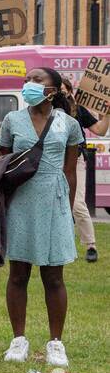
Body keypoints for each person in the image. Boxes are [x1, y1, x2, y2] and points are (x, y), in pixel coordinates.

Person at [0, 67, 84, 368]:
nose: (29, 84)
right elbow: (2, 163)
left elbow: (70, 171)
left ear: (52, 90)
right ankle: (18, 339)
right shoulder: (13, 120)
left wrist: (68, 209)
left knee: (53, 276)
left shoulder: (69, 124)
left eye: (37, 80)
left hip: (54, 202)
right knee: (19, 274)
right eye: (27, 79)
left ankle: (56, 343)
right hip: (21, 202)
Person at [59, 77, 108, 263]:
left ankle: (91, 246)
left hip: (75, 160)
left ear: (71, 91)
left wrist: (107, 114)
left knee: (78, 203)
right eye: (59, 90)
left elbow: (100, 130)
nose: (62, 93)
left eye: (65, 90)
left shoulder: (79, 111)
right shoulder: (47, 112)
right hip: (54, 161)